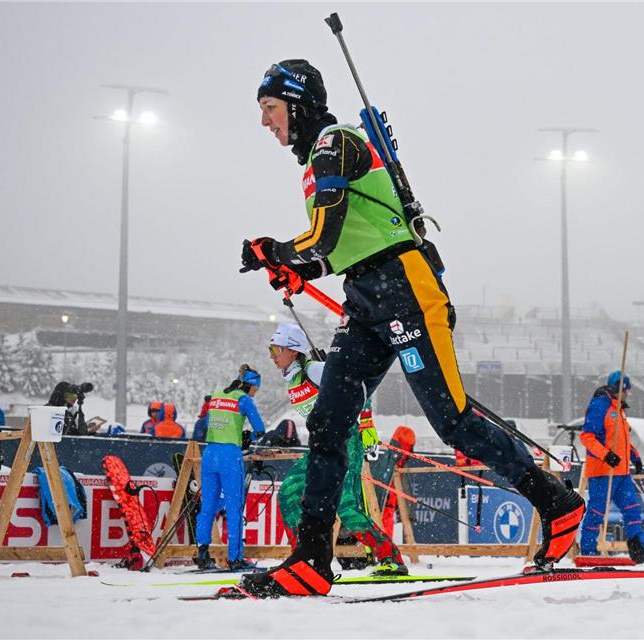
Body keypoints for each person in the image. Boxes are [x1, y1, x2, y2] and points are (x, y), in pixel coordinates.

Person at [240, 60, 583, 593]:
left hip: (407, 288)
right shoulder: (312, 162)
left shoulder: (335, 143)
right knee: (328, 422)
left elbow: (324, 234)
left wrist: (282, 251)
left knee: (454, 422)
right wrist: (294, 265)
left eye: (269, 108)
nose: (264, 122)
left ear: (298, 105)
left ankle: (557, 504)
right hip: (366, 298)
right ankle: (311, 558)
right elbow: (340, 248)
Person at [269, 322, 407, 576]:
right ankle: (302, 558)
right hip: (321, 443)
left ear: (293, 350)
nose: (273, 356)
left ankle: (391, 558)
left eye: (276, 349)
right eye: (271, 350)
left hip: (346, 439)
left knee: (345, 506)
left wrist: (366, 425)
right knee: (289, 492)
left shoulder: (315, 370)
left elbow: (356, 388)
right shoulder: (294, 378)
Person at [579, 371, 644, 563]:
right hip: (602, 472)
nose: (628, 394)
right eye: (627, 390)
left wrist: (635, 456)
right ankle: (588, 551)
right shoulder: (600, 406)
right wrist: (606, 455)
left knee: (632, 510)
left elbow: (622, 441)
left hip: (622, 473)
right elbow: (587, 437)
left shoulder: (620, 409)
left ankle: (638, 548)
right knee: (597, 512)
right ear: (619, 389)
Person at [193, 366, 266, 571]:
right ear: (249, 385)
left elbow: (206, 424)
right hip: (229, 457)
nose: (254, 393)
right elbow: (260, 429)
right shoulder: (244, 400)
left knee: (207, 508)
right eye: (255, 390)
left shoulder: (216, 396)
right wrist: (247, 437)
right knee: (234, 509)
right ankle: (235, 559)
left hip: (209, 455)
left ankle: (202, 555)